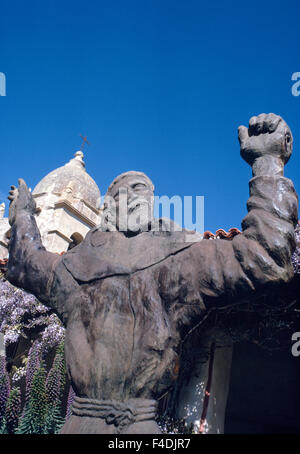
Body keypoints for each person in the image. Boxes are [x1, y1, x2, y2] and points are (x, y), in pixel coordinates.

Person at [6, 113, 298, 434]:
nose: (141, 197)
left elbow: (263, 257)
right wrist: (24, 217)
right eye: (133, 190)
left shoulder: (171, 259)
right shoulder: (79, 269)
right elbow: (26, 263)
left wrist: (268, 163)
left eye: (145, 191)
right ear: (111, 204)